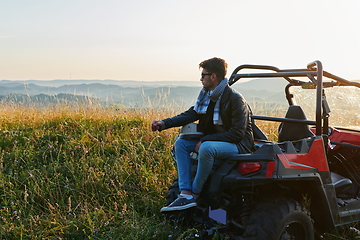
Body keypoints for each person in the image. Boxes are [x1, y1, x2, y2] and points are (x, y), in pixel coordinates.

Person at [152, 57, 254, 212]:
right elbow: (191, 114)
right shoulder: (207, 97)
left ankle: (195, 192)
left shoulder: (235, 99)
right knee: (181, 144)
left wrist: (206, 139)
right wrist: (164, 123)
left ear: (213, 77)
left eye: (203, 75)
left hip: (238, 145)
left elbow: (237, 134)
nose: (201, 79)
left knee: (206, 148)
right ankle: (185, 192)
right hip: (215, 142)